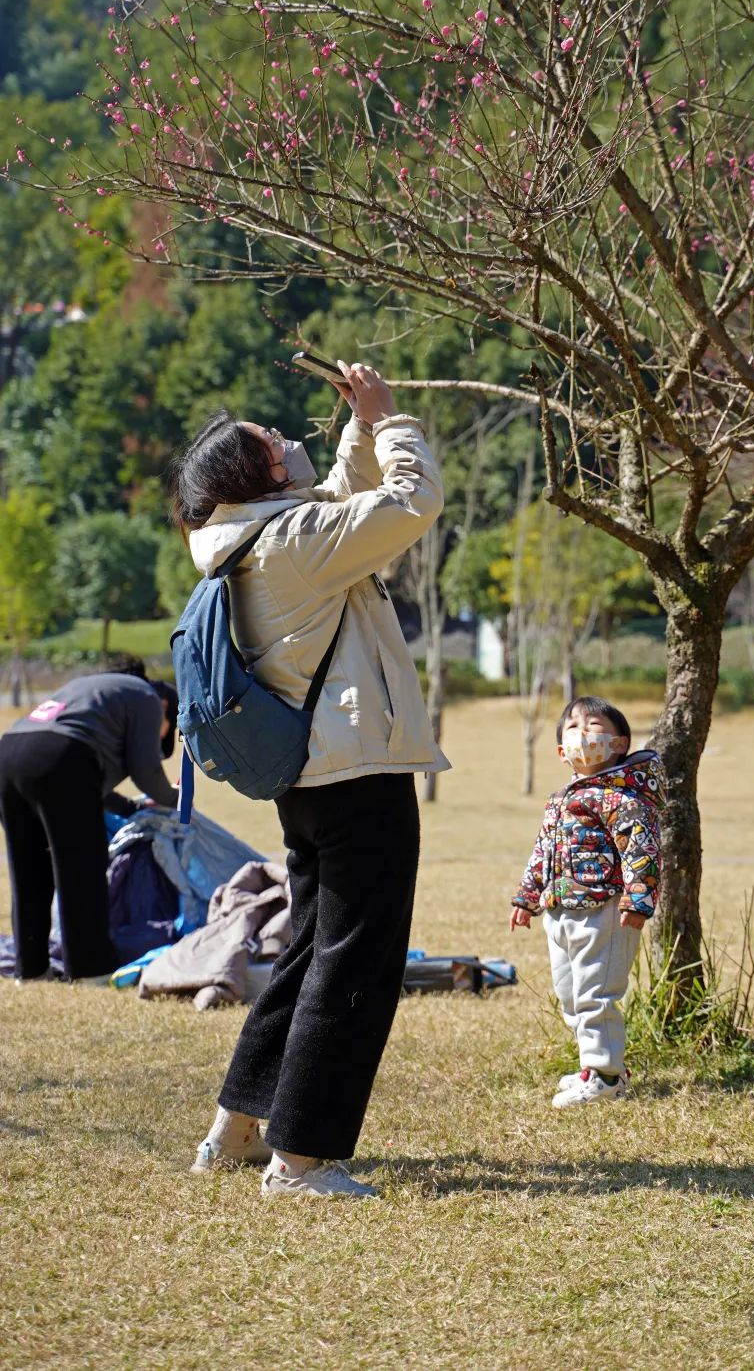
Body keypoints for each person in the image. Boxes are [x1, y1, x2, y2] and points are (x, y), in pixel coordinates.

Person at [175, 363, 447, 1200]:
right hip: (356, 769)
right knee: (355, 961)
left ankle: (241, 1125)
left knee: (309, 949)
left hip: (311, 774)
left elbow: (338, 493)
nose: (289, 439)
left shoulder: (256, 539)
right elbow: (408, 504)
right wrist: (392, 421)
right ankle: (301, 1161)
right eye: (271, 441)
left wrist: (357, 427)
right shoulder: (295, 546)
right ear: (260, 476)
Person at [510, 696, 664, 1108]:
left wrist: (638, 900)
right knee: (571, 994)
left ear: (619, 743)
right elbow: (542, 852)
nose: (583, 734)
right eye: (573, 729)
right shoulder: (561, 800)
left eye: (593, 726)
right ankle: (595, 1065)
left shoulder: (623, 798)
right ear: (562, 752)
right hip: (560, 912)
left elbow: (642, 851)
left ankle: (607, 1075)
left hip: (606, 910)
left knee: (597, 994)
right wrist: (527, 898)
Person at [0, 672, 179, 983]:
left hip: (9, 753)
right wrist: (176, 798)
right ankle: (91, 969)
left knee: (28, 870)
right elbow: (144, 769)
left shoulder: (96, 690)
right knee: (81, 869)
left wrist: (129, 807)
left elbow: (86, 780)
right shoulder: (149, 699)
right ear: (167, 707)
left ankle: (29, 970)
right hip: (62, 756)